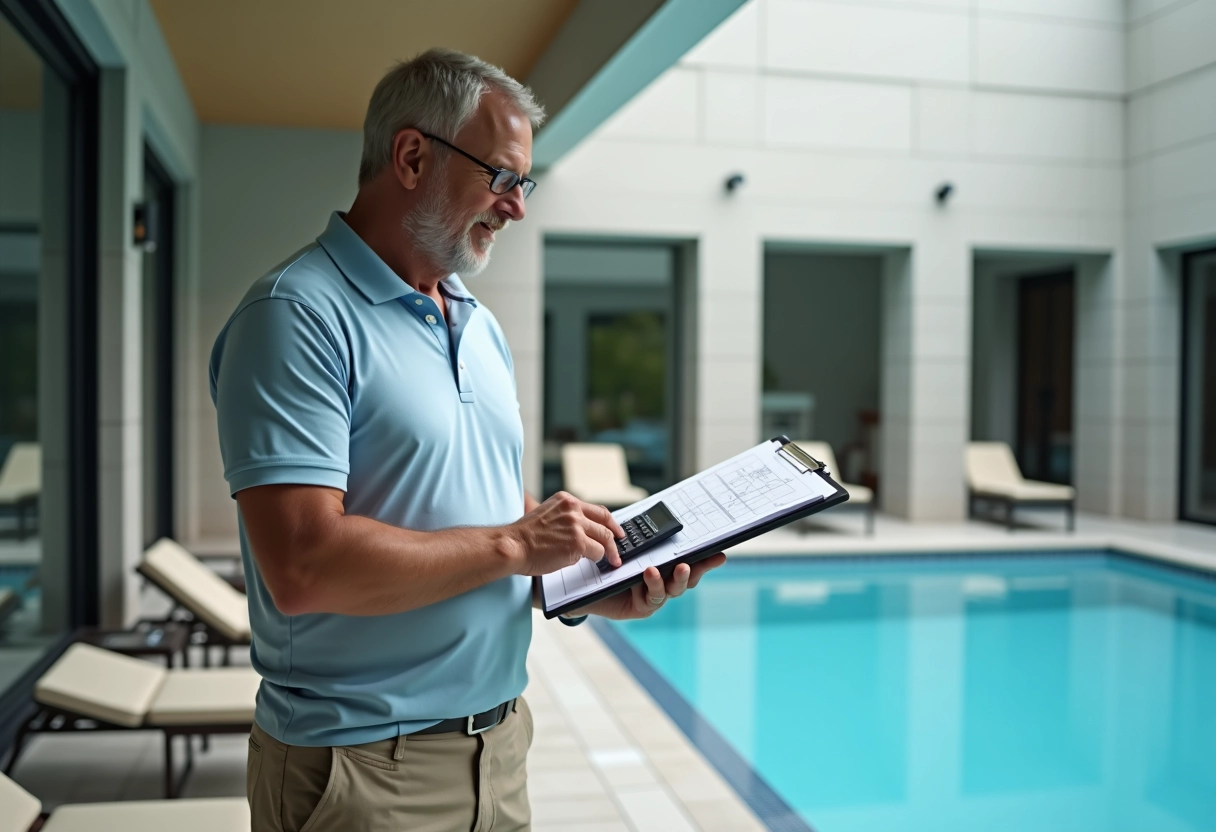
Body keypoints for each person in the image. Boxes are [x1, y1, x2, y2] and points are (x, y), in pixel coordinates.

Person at [210, 48, 726, 831]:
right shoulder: (294, 317)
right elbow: (304, 567)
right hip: (361, 772)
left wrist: (580, 582)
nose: (516, 207)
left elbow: (483, 513)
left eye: (525, 184)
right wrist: (517, 545)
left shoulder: (478, 326)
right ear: (412, 157)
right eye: (502, 177)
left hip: (500, 751)